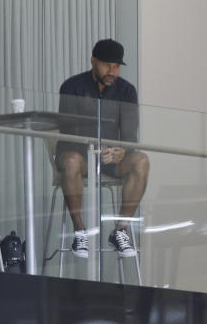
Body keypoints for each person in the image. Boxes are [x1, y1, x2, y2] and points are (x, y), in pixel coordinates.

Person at [57, 38, 149, 258]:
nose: (112, 71)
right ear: (93, 61)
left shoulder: (127, 91)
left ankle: (120, 230)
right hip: (80, 156)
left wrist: (121, 151)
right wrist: (96, 149)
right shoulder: (72, 87)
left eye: (116, 67)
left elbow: (129, 134)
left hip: (111, 160)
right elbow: (67, 131)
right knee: (70, 160)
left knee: (141, 160)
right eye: (107, 65)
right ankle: (80, 230)